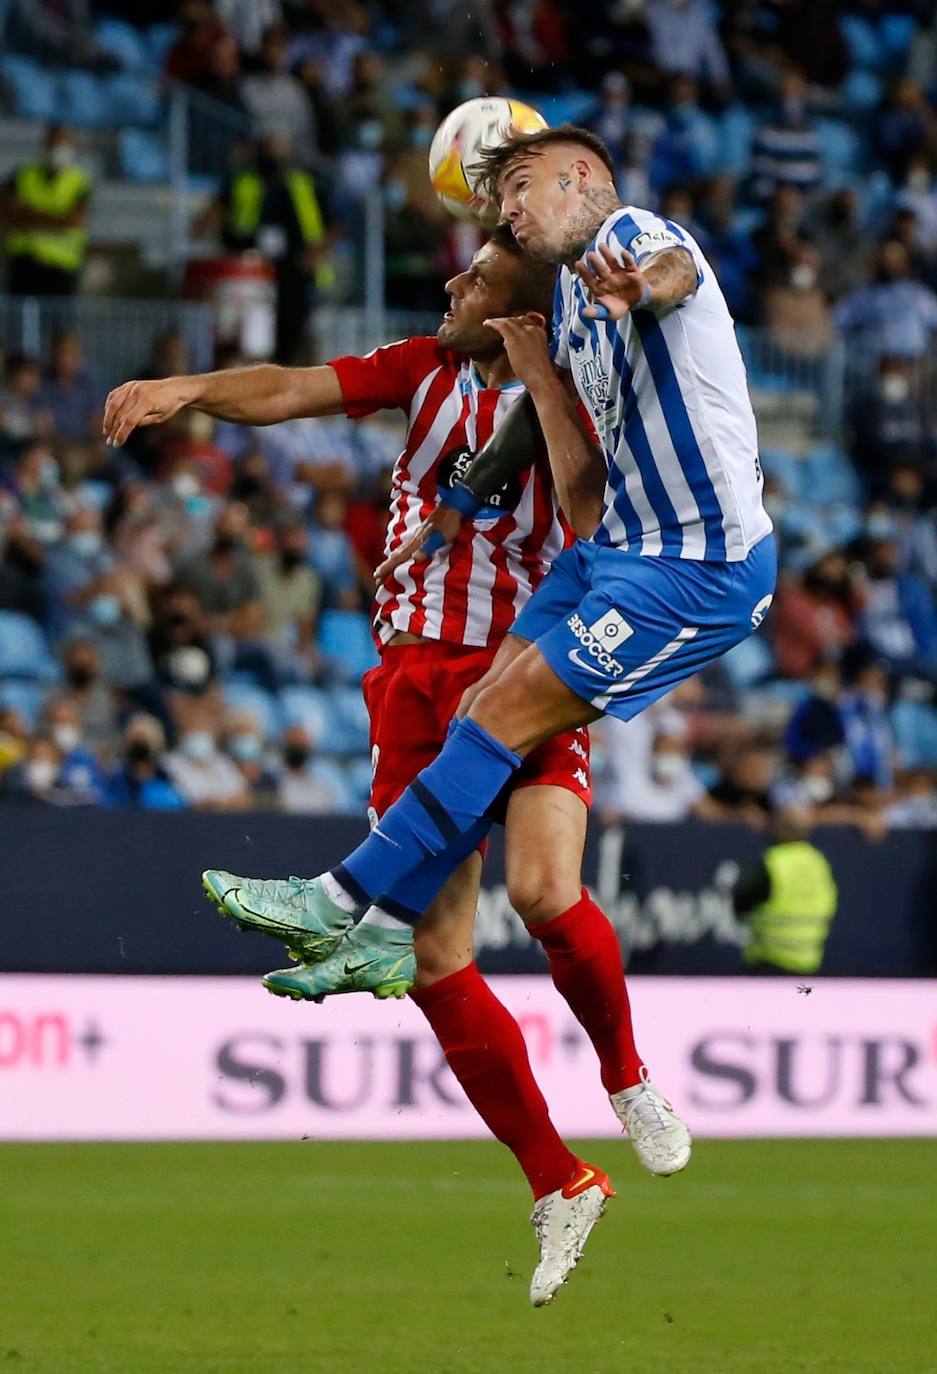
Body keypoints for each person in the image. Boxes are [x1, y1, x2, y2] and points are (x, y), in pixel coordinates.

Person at [104, 221, 686, 1307]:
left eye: (475, 274)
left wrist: (546, 366)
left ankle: (628, 1079)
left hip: (527, 667)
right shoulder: (416, 370)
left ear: (520, 301)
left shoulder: (566, 390)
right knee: (431, 959)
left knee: (546, 886)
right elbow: (285, 387)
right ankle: (560, 1181)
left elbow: (591, 515)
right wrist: (185, 385)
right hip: (413, 680)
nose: (453, 284)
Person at [733, 808, 838, 975]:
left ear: (782, 827)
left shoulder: (774, 861)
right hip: (809, 961)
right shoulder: (818, 861)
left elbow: (742, 900)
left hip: (770, 960)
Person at [2, 125, 92, 297]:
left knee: (57, 321)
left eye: (62, 145)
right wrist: (58, 218)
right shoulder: (22, 175)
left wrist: (28, 214)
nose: (57, 150)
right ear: (43, 146)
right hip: (23, 262)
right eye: (52, 144)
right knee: (21, 320)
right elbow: (6, 214)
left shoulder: (79, 180)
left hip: (63, 265)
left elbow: (74, 221)